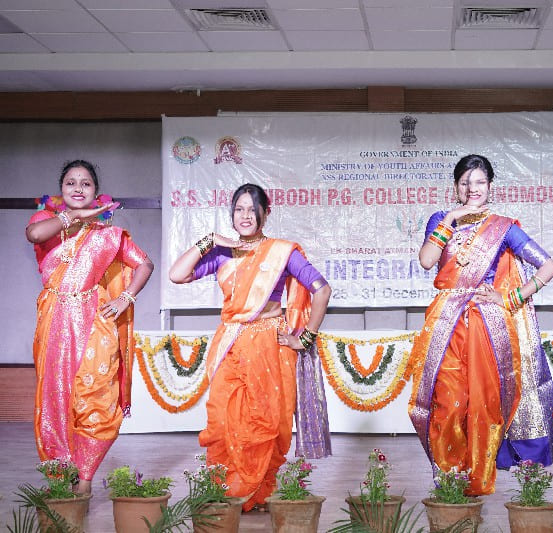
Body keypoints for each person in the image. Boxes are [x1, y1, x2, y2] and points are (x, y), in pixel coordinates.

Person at [169, 183, 332, 511]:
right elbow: (177, 274)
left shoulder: (282, 252)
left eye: (252, 209)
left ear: (265, 213)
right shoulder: (222, 254)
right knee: (222, 419)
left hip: (269, 347)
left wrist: (305, 337)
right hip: (230, 345)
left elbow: (322, 290)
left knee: (265, 422)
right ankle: (226, 491)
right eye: (239, 209)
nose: (245, 216)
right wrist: (208, 241)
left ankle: (257, 494)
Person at [408, 154, 553, 496]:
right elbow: (427, 260)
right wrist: (451, 218)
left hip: (486, 325)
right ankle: (448, 480)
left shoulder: (503, 226)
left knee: (482, 402)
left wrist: (512, 297)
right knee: (446, 401)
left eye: (479, 182)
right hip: (446, 323)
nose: (472, 189)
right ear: (456, 186)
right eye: (465, 182)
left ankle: (476, 480)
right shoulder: (441, 219)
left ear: (490, 186)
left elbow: (548, 266)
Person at [25, 160, 154, 494]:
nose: (78, 188)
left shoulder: (108, 235)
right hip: (54, 322)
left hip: (95, 323)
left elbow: (144, 263)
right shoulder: (46, 223)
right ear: (61, 189)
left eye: (86, 183)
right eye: (71, 182)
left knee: (98, 397)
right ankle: (60, 476)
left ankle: (84, 477)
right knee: (56, 399)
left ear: (96, 191)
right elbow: (33, 235)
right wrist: (75, 216)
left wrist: (126, 297)